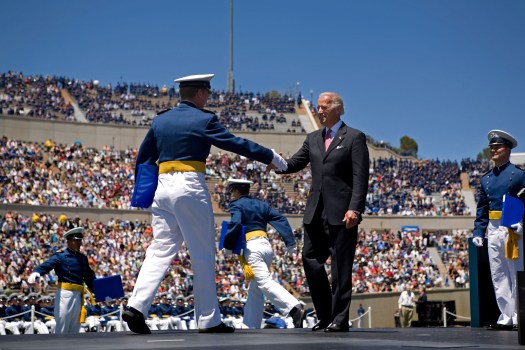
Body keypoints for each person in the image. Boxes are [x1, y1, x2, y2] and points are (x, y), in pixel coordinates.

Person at [123, 73, 288, 335]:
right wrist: (269, 156)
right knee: (202, 254)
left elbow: (144, 159)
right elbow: (235, 143)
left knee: (159, 250)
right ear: (200, 93)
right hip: (189, 185)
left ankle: (136, 306)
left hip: (162, 186)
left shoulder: (160, 120)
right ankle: (209, 319)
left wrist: (144, 193)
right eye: (207, 94)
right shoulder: (204, 119)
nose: (208, 98)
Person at [272, 92, 369, 332]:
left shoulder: (354, 138)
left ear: (337, 108)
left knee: (340, 268)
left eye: (324, 106)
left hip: (342, 213)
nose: (319, 110)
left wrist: (355, 208)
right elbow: (295, 163)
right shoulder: (313, 138)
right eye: (317, 107)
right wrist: (275, 162)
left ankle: (339, 319)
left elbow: (360, 177)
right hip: (315, 212)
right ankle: (325, 316)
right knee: (311, 261)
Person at [222, 178, 305, 329]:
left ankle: (294, 307)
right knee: (255, 289)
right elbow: (280, 218)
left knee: (263, 282)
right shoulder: (262, 204)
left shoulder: (237, 204)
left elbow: (236, 223)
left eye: (232, 191)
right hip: (266, 246)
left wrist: (228, 244)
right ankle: (250, 326)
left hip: (252, 247)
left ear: (236, 191)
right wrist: (289, 241)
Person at [472, 129, 525, 331]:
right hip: (494, 229)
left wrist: (522, 222)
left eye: (497, 147)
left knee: (516, 271)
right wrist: (479, 231)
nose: (493, 150)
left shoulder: (520, 175)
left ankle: (520, 315)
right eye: (491, 147)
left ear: (508, 149)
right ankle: (505, 315)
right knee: (498, 273)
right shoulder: (486, 179)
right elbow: (482, 208)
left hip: (512, 227)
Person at [27, 227, 96, 334]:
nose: (79, 243)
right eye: (76, 241)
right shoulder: (61, 256)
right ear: (69, 241)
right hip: (65, 294)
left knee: (75, 327)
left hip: (78, 295)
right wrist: (37, 272)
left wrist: (99, 290)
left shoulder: (82, 258)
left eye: (80, 240)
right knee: (63, 325)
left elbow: (89, 277)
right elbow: (48, 264)